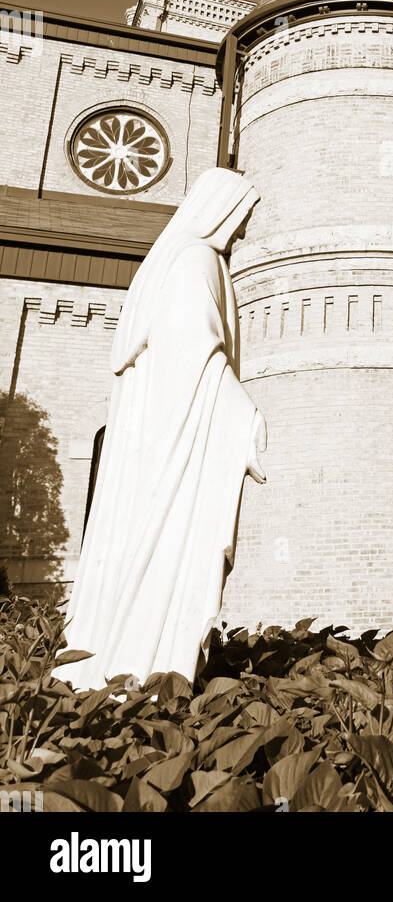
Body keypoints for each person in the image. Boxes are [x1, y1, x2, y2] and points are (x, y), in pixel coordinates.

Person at [58, 168, 266, 692]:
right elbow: (194, 357)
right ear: (221, 212)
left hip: (157, 449)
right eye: (241, 219)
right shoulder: (194, 263)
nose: (243, 232)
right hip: (170, 456)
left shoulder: (183, 260)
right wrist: (247, 419)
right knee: (165, 556)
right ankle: (143, 669)